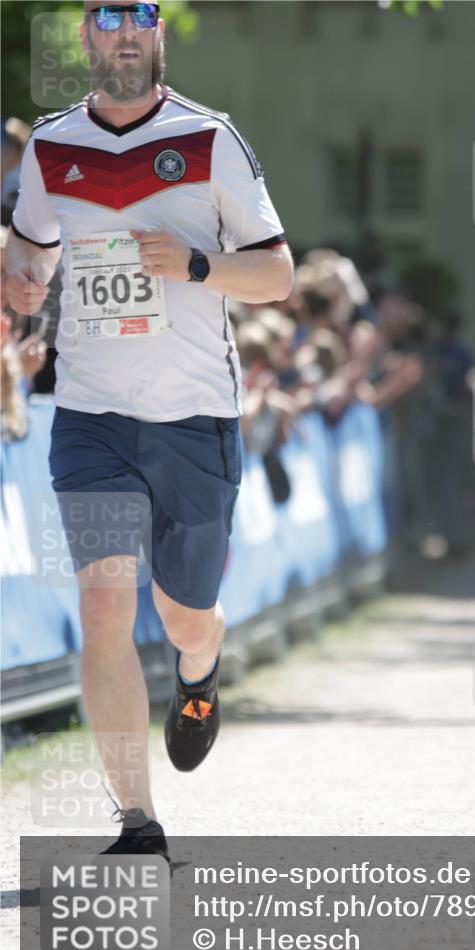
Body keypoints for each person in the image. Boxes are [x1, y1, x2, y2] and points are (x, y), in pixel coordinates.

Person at [5, 0, 293, 859]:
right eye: (106, 15)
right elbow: (33, 251)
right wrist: (23, 281)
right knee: (102, 602)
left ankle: (199, 671)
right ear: (88, 34)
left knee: (183, 617)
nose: (124, 30)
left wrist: (198, 263)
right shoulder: (51, 145)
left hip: (193, 417)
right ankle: (137, 818)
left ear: (156, 31)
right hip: (91, 416)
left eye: (140, 14)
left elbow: (277, 275)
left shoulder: (212, 140)